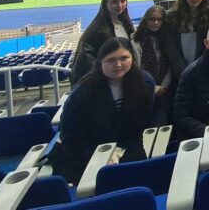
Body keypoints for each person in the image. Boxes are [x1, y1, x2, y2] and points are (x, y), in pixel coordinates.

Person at [50, 38, 154, 183]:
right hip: (85, 152)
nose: (118, 65)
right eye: (110, 60)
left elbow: (140, 125)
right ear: (100, 63)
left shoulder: (145, 84)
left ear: (132, 57)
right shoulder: (82, 93)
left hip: (127, 145)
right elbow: (71, 137)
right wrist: (101, 156)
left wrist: (121, 150)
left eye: (124, 58)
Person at [72, 0, 137, 82]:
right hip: (105, 81)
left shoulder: (126, 25)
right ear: (105, 4)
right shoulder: (96, 31)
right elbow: (86, 62)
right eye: (114, 2)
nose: (120, 5)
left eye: (123, 1)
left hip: (125, 78)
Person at [165, 0, 209, 79]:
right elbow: (170, 46)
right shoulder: (172, 17)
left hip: (203, 69)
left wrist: (198, 66)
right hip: (178, 71)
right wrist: (181, 68)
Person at [132, 5, 174, 126]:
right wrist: (154, 88)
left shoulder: (168, 38)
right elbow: (136, 66)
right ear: (145, 20)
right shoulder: (136, 40)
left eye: (159, 19)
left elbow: (169, 64)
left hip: (165, 89)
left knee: (162, 123)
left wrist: (164, 86)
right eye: (151, 19)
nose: (155, 23)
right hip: (144, 90)